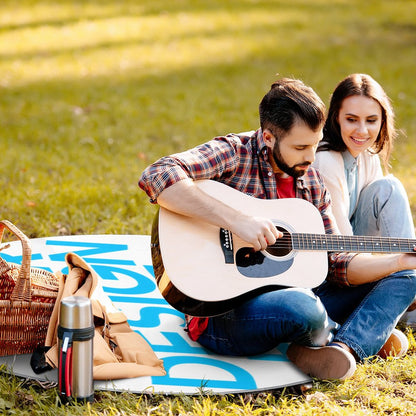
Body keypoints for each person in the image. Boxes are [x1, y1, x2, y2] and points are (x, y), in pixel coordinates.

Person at [139, 77, 416, 381]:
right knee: (303, 308)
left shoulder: (310, 180)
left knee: (407, 277)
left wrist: (397, 261)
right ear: (269, 138)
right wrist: (236, 220)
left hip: (301, 294)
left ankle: (345, 347)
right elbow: (158, 174)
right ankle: (353, 331)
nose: (311, 158)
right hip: (223, 313)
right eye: (300, 147)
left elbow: (337, 262)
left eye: (315, 144)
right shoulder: (234, 152)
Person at [313, 73, 416, 330]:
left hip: (356, 255)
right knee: (389, 187)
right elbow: (342, 250)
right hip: (330, 269)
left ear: (382, 121)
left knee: (387, 187)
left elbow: (379, 227)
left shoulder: (366, 155)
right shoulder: (326, 160)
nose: (362, 131)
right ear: (335, 117)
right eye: (351, 120)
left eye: (371, 121)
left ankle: (406, 289)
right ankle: (406, 294)